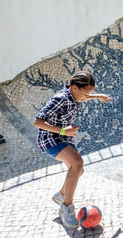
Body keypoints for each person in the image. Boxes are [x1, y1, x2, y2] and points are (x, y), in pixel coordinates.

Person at [33, 71, 112, 228]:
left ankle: (61, 195)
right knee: (77, 163)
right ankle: (66, 208)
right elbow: (38, 122)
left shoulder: (74, 94)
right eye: (85, 94)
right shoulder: (60, 99)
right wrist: (64, 131)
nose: (85, 98)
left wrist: (98, 96)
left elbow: (83, 97)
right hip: (50, 139)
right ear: (74, 87)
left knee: (78, 170)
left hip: (64, 138)